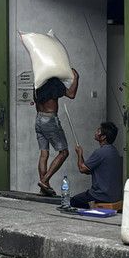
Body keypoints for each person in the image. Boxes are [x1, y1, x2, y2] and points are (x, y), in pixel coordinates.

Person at [34, 68, 79, 196]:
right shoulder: (54, 82)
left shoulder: (38, 82)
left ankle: (43, 189)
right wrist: (76, 78)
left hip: (38, 119)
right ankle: (44, 181)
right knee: (64, 152)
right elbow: (71, 94)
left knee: (44, 154)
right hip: (50, 119)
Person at [71, 122, 122, 208]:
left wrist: (79, 153)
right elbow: (96, 171)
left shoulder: (100, 152)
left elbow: (82, 169)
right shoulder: (114, 151)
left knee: (74, 201)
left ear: (103, 137)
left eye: (98, 131)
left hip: (101, 196)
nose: (96, 133)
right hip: (115, 196)